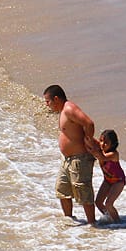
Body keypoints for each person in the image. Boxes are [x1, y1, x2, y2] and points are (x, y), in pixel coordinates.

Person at [43, 84, 96, 224]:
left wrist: (88, 141)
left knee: (84, 192)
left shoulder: (69, 109)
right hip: (66, 159)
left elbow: (89, 123)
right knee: (62, 190)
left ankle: (93, 225)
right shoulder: (62, 111)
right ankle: (69, 221)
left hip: (79, 159)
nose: (47, 105)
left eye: (48, 102)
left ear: (56, 99)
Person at [86, 129, 126, 222]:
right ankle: (109, 217)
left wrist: (92, 149)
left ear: (113, 144)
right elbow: (91, 142)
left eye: (106, 142)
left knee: (108, 203)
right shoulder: (100, 150)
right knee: (98, 203)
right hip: (107, 180)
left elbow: (102, 157)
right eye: (101, 140)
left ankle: (118, 223)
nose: (102, 144)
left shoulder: (114, 154)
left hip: (118, 181)